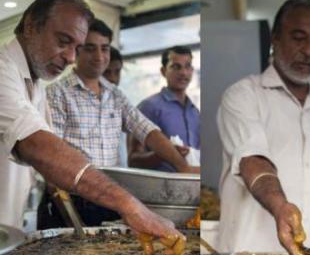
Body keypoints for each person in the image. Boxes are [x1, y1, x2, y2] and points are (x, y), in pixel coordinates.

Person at [0, 0, 184, 253]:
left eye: (76, 47)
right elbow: (39, 146)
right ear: (31, 25)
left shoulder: (36, 83)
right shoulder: (4, 71)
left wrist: (182, 166)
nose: (71, 58)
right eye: (63, 41)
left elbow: (144, 128)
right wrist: (130, 205)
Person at [38, 19, 198, 228]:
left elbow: (147, 130)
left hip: (108, 199)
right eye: (90, 48)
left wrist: (182, 166)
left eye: (104, 49)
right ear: (76, 51)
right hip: (68, 202)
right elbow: (52, 157)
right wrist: (65, 208)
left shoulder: (115, 95)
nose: (99, 56)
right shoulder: (56, 94)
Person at [216, 0, 310, 255]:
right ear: (275, 39)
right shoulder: (243, 96)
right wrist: (280, 205)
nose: (309, 51)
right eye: (299, 38)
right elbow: (253, 159)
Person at [128, 46, 200, 172]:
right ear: (163, 71)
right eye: (176, 67)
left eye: (187, 66)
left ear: (192, 71)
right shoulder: (148, 107)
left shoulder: (195, 113)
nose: (183, 72)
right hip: (160, 188)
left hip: (193, 186)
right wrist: (166, 154)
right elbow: (133, 160)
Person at [103, 46, 128, 167]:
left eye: (117, 72)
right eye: (106, 72)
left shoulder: (120, 99)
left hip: (121, 174)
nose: (113, 78)